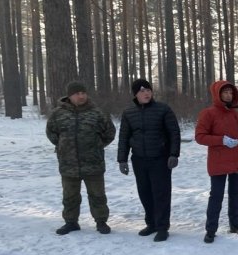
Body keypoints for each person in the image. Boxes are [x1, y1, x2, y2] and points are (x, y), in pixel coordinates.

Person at [46, 81, 116, 235]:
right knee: (70, 195)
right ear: (70, 96)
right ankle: (71, 222)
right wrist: (63, 146)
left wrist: (97, 145)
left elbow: (109, 132)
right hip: (68, 163)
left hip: (93, 163)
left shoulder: (97, 113)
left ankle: (101, 221)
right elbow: (51, 132)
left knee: (97, 195)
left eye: (83, 93)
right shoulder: (58, 113)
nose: (81, 96)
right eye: (77, 93)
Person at [117, 79, 181, 242]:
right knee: (145, 193)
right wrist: (122, 159)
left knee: (161, 194)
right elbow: (124, 137)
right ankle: (151, 223)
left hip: (160, 160)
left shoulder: (163, 109)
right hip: (139, 160)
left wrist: (174, 154)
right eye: (142, 91)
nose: (146, 93)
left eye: (148, 90)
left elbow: (174, 133)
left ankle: (162, 227)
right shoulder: (128, 112)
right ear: (135, 94)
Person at [196, 80, 238, 244]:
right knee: (216, 195)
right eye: (225, 92)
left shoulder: (236, 114)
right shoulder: (208, 113)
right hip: (219, 161)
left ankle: (235, 224)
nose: (229, 95)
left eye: (231, 92)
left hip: (237, 159)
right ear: (218, 94)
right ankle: (211, 229)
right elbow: (200, 137)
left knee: (235, 194)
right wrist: (221, 140)